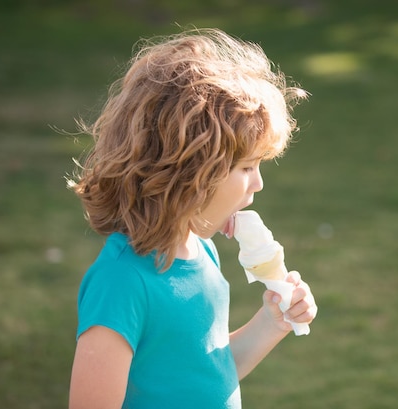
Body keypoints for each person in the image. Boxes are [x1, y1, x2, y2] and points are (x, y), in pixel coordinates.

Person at [67, 28, 317, 409]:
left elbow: (207, 369)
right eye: (247, 167)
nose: (259, 184)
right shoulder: (121, 283)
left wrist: (271, 322)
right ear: (192, 173)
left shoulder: (202, 254)